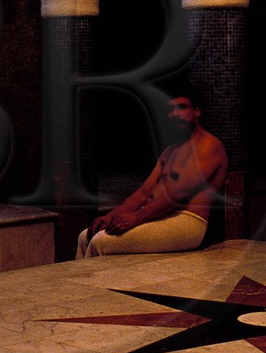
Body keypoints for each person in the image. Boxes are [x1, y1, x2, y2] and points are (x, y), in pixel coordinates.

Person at [75, 95, 228, 259]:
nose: (175, 113)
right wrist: (109, 216)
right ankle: (77, 285)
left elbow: (177, 195)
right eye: (170, 110)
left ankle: (94, 284)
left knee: (101, 242)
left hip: (187, 222)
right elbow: (143, 193)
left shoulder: (208, 145)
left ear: (196, 112)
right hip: (159, 215)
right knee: (85, 236)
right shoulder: (169, 152)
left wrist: (136, 217)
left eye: (182, 107)